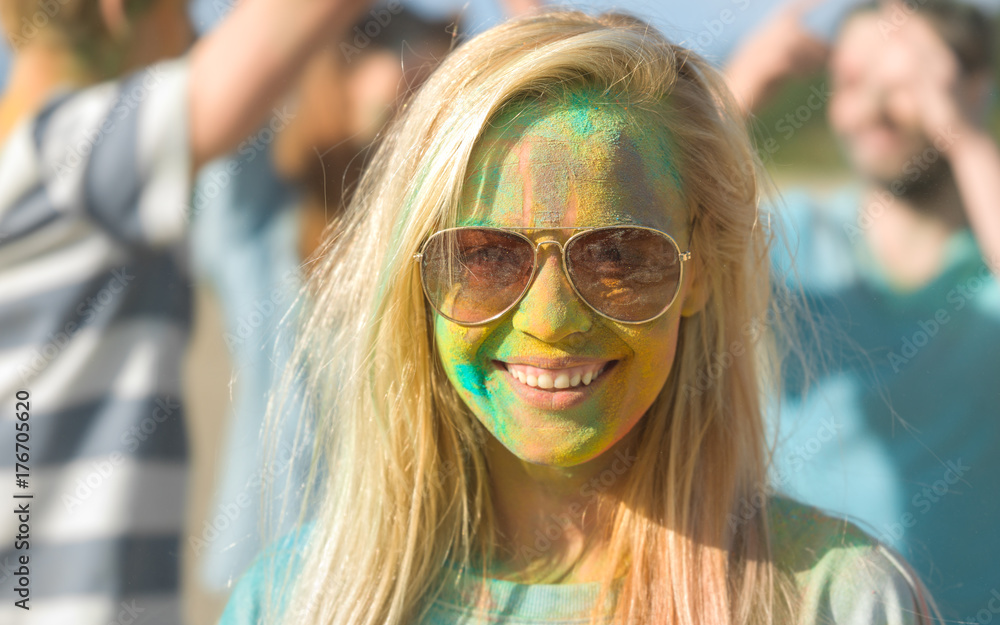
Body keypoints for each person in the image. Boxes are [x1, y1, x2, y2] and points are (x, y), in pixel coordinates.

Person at [219, 10, 933, 625]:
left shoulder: (838, 600)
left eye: (619, 254)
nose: (552, 320)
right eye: (485, 255)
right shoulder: (294, 597)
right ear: (417, 276)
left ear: (702, 270)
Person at [0, 0, 369, 622]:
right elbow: (262, 51)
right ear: (119, 12)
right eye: (184, 14)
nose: (200, 36)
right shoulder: (66, 153)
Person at [725, 0, 1000, 619]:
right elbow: (643, 238)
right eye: (852, 82)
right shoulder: (788, 237)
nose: (873, 107)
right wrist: (730, 98)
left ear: (974, 91)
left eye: (906, 84)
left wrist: (963, 135)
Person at [190, 4, 455, 591]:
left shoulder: (444, 246)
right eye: (393, 50)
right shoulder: (259, 232)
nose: (412, 80)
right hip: (265, 571)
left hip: (398, 573)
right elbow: (237, 90)